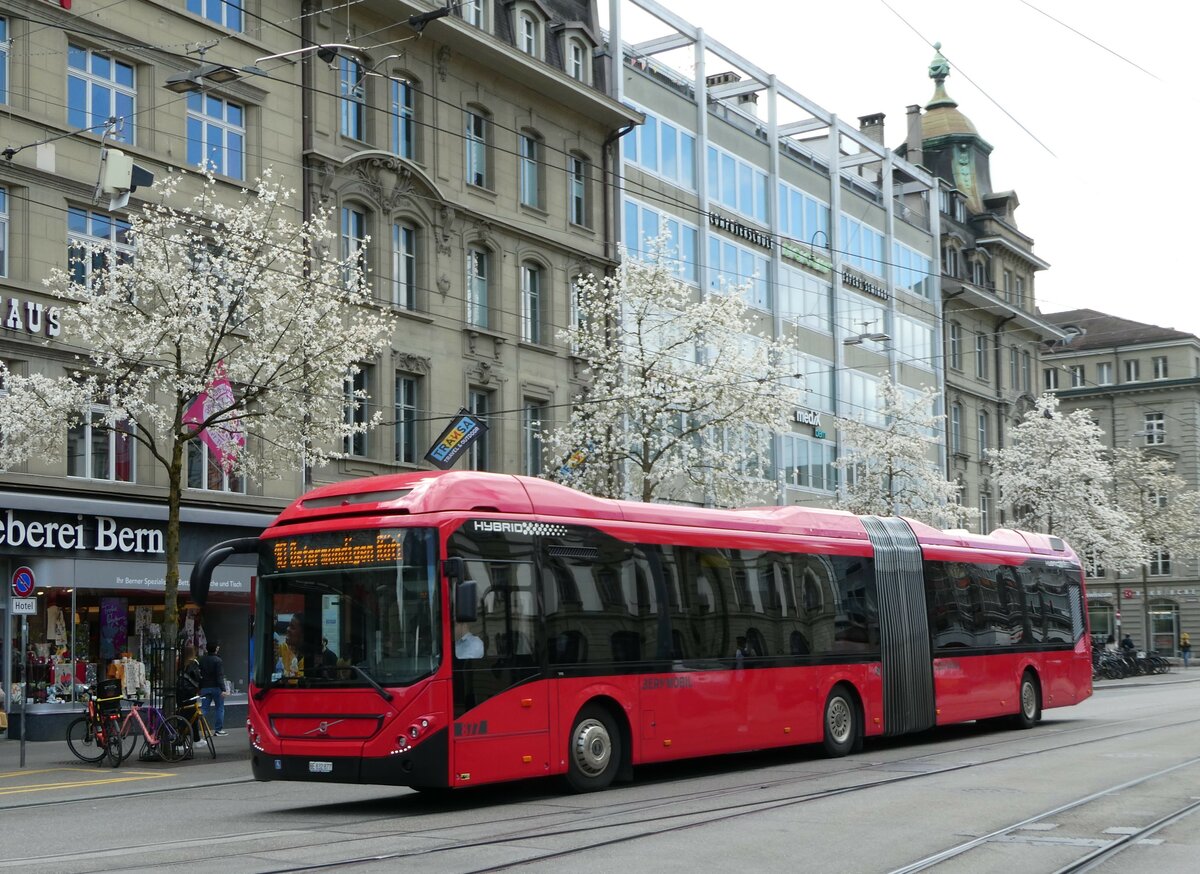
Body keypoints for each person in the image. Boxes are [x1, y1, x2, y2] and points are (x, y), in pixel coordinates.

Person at [198, 641, 227, 736]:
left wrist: (199, 687)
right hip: (216, 687)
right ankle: (218, 730)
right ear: (215, 649)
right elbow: (219, 676)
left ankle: (196, 727)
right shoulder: (218, 660)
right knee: (219, 708)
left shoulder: (201, 660)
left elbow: (199, 675)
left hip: (205, 687)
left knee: (204, 708)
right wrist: (223, 689)